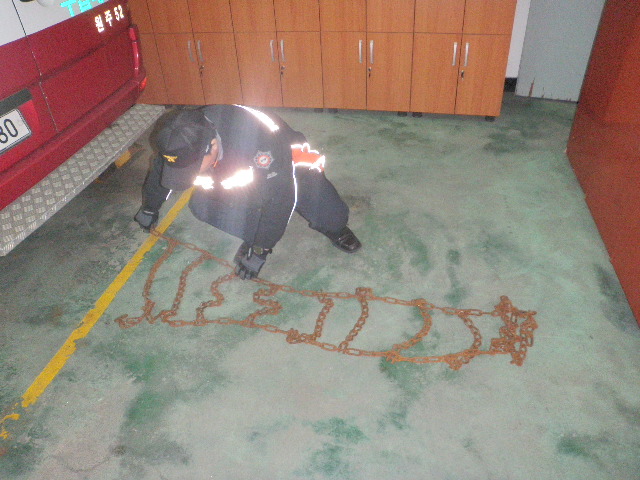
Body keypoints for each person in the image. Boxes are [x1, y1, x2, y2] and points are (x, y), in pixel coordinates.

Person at [134, 105, 361, 279]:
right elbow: (161, 172)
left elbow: (281, 202)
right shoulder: (180, 136)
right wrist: (149, 207)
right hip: (235, 174)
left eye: (192, 168)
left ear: (212, 146)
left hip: (290, 166)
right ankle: (253, 231)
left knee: (332, 216)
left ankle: (332, 226)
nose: (188, 175)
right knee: (201, 207)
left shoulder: (260, 143)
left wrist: (261, 250)